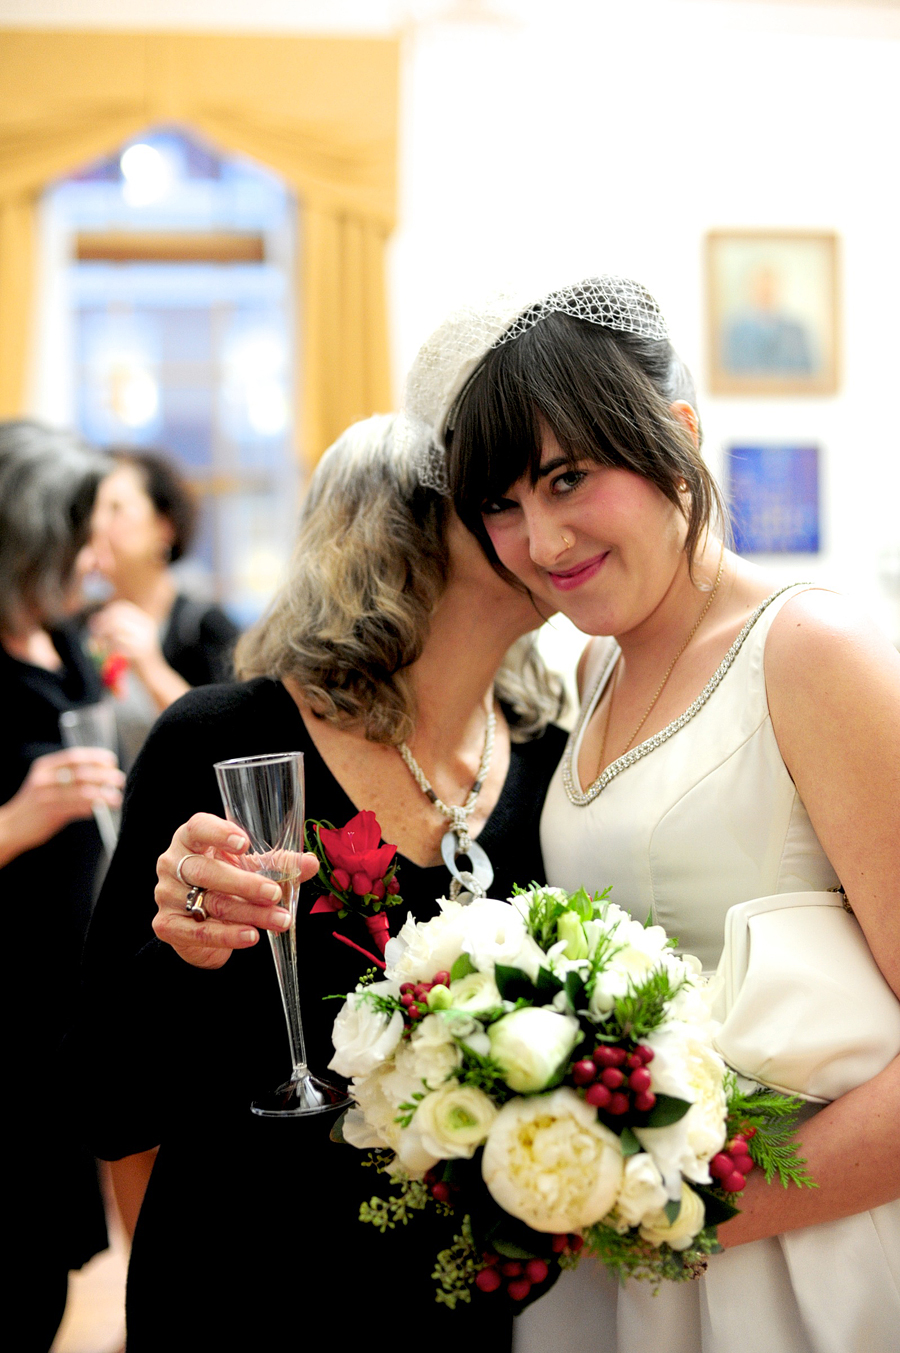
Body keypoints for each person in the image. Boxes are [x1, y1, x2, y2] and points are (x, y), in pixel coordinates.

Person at [403, 276, 900, 1353]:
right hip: (642, 1267)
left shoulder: (811, 651)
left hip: (806, 1257)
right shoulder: (591, 670)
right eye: (501, 503)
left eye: (568, 477)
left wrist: (701, 1215)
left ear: (677, 433)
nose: (538, 539)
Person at [70, 414, 567, 1352]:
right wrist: (186, 949)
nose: (547, 527)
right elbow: (105, 1099)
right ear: (409, 535)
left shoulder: (550, 759)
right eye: (502, 500)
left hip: (468, 1308)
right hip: (245, 1297)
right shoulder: (220, 739)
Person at [0, 420, 125, 1351]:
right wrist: (15, 820)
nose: (99, 554)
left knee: (38, 1267)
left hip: (52, 1008)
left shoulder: (55, 635)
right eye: (81, 533)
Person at [84, 448, 238, 769]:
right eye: (93, 510)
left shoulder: (205, 628)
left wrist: (151, 668)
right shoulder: (76, 625)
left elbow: (232, 744)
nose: (98, 525)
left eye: (116, 509)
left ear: (164, 526)